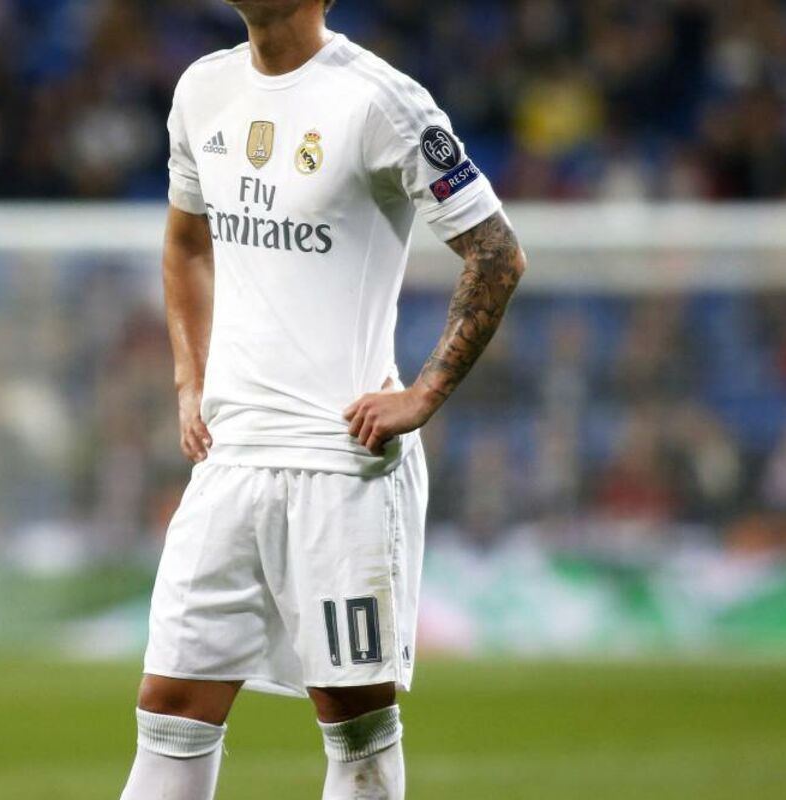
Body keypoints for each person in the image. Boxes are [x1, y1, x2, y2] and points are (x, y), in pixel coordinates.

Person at [120, 1, 527, 798]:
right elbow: (187, 242)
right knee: (170, 706)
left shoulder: (382, 102)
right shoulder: (202, 89)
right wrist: (190, 379)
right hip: (230, 457)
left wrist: (423, 394)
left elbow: (496, 252)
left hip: (341, 465)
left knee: (355, 726)